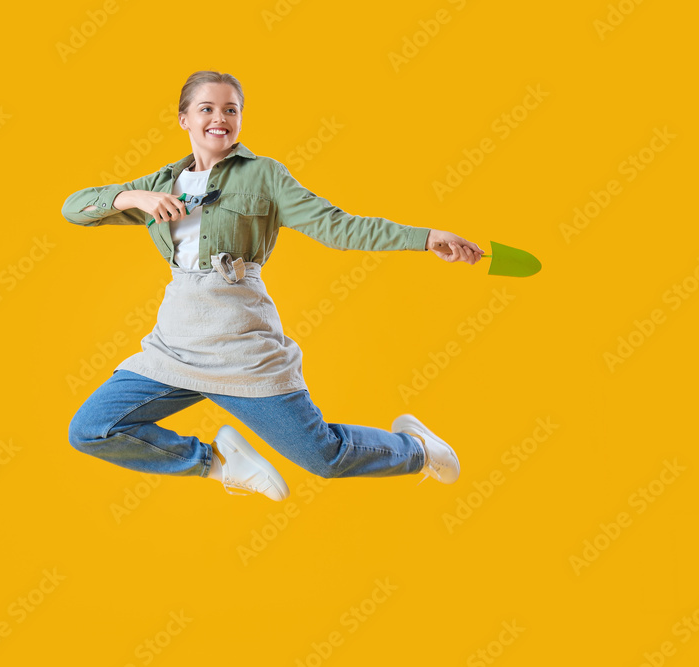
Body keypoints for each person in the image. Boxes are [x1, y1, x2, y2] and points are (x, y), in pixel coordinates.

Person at [62, 70, 486, 501]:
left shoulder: (264, 175)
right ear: (184, 119)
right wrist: (134, 198)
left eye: (231, 109)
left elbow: (338, 227)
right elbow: (74, 208)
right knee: (92, 429)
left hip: (242, 346)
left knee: (325, 457)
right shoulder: (157, 186)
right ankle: (218, 463)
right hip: (174, 346)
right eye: (206, 108)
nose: (219, 118)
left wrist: (426, 238)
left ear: (240, 118)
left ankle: (415, 449)